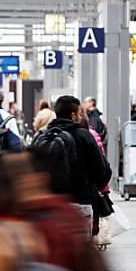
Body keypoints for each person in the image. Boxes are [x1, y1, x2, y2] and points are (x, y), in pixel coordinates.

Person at [32, 95, 112, 232]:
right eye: (80, 113)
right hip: (80, 204)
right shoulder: (84, 135)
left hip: (49, 208)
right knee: (77, 251)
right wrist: (91, 186)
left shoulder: (42, 136)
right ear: (73, 115)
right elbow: (102, 171)